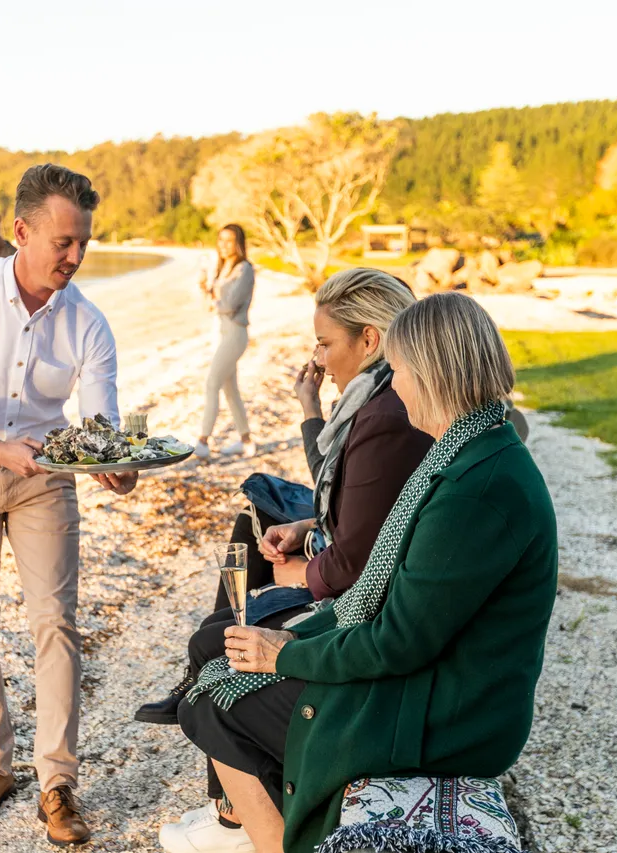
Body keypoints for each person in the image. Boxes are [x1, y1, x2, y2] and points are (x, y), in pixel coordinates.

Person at [175, 292, 559, 853]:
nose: (396, 389)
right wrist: (298, 636)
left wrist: (283, 653)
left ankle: (277, 839)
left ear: (433, 374)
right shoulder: (472, 453)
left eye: (399, 373)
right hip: (439, 684)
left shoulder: (477, 489)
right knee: (219, 674)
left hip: (445, 713)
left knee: (213, 702)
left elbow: (397, 642)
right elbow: (398, 607)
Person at [145, 270, 433, 853]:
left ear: (371, 340)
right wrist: (308, 519)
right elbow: (342, 492)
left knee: (216, 643)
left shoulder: (384, 415)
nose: (318, 356)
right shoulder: (371, 403)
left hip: (357, 606)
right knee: (238, 565)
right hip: (356, 579)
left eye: (326, 343)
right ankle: (229, 810)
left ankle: (240, 823)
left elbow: (356, 559)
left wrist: (295, 573)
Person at [0, 164, 138, 846]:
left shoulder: (88, 324)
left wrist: (115, 466)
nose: (75, 257)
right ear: (20, 232)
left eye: (83, 244)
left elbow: (100, 426)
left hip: (45, 477)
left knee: (54, 622)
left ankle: (56, 782)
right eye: (63, 241)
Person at [193, 224, 256, 462]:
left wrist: (213, 299)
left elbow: (229, 305)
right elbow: (214, 302)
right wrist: (206, 289)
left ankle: (202, 441)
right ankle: (246, 441)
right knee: (231, 390)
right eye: (221, 240)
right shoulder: (223, 268)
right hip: (221, 332)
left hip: (235, 334)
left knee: (212, 383)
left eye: (230, 241)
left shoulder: (244, 269)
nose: (224, 245)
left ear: (239, 243)